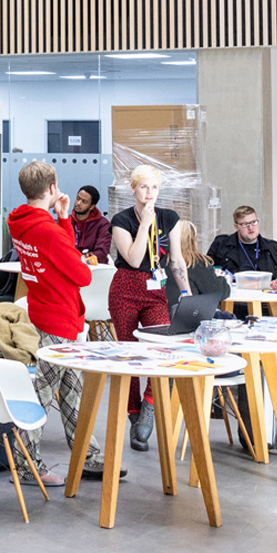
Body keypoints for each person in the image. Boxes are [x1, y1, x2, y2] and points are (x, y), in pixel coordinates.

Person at [7, 161, 111, 484]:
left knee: (71, 392)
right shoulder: (47, 230)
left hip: (45, 312)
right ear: (52, 188)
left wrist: (64, 218)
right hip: (59, 320)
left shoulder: (20, 222)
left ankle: (88, 455)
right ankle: (26, 464)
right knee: (44, 394)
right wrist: (63, 224)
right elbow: (81, 273)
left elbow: (65, 252)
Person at [108, 165, 190, 451]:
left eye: (154, 187)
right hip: (127, 287)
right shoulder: (121, 220)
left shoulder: (170, 218)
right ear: (133, 189)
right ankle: (133, 415)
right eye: (144, 187)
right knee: (129, 352)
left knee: (162, 349)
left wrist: (186, 292)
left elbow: (177, 260)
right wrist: (144, 224)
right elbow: (133, 258)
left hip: (156, 290)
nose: (149, 193)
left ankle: (149, 407)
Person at [207, 205, 277, 280]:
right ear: (236, 226)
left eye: (254, 222)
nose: (251, 227)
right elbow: (206, 272)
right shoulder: (221, 244)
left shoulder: (274, 248)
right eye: (245, 224)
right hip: (234, 294)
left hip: (266, 294)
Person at [163, 219, 230, 311]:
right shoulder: (197, 263)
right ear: (192, 240)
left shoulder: (159, 262)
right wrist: (220, 278)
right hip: (190, 316)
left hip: (161, 315)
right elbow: (219, 292)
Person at [70, 185, 112, 264]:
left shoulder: (103, 225)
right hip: (69, 265)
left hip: (93, 268)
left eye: (84, 202)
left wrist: (81, 259)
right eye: (78, 198)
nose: (78, 203)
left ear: (92, 207)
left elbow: (101, 253)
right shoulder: (67, 220)